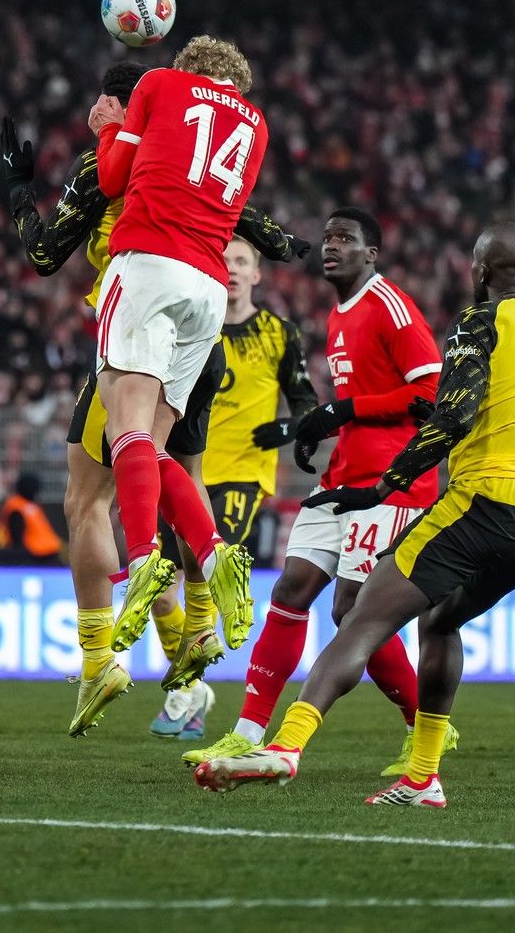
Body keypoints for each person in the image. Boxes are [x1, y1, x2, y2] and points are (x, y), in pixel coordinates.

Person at [194, 223, 515, 808]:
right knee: (441, 622)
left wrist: (386, 484)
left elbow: (450, 415)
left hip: (489, 497)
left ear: (479, 272)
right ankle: (423, 778)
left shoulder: (481, 322)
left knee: (361, 617)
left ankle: (284, 747)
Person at [2, 60, 300, 736]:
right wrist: (287, 243)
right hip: (205, 323)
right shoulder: (204, 155)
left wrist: (19, 192)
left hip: (143, 309)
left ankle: (100, 658)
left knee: (88, 499)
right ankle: (197, 640)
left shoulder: (120, 149)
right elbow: (256, 223)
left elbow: (44, 253)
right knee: (173, 474)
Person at [185, 208, 448, 778]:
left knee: (352, 608)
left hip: (390, 483)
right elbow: (360, 404)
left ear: (370, 253)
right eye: (327, 238)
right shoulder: (337, 314)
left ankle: (424, 727)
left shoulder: (391, 306)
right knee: (291, 589)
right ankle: (246, 733)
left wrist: (342, 410)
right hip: (343, 476)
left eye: (345, 239)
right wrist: (316, 426)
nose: (331, 246)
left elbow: (431, 394)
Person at [91, 36, 267, 664]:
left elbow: (112, 178)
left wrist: (107, 128)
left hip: (149, 263)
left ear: (188, 66)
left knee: (125, 430)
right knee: (156, 445)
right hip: (208, 288)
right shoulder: (256, 124)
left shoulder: (158, 84)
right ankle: (214, 555)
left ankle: (144, 559)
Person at [150, 235, 318, 742]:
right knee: (157, 592)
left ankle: (185, 690)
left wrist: (289, 429)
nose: (232, 269)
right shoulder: (185, 325)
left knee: (202, 567)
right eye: (225, 260)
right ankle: (194, 687)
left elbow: (306, 403)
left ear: (257, 274)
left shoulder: (278, 333)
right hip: (179, 471)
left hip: (242, 477)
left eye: (242, 261)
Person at [0, 472, 64, 566]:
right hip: (37, 556)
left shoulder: (29, 505)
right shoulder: (17, 507)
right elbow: (17, 537)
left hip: (45, 553)